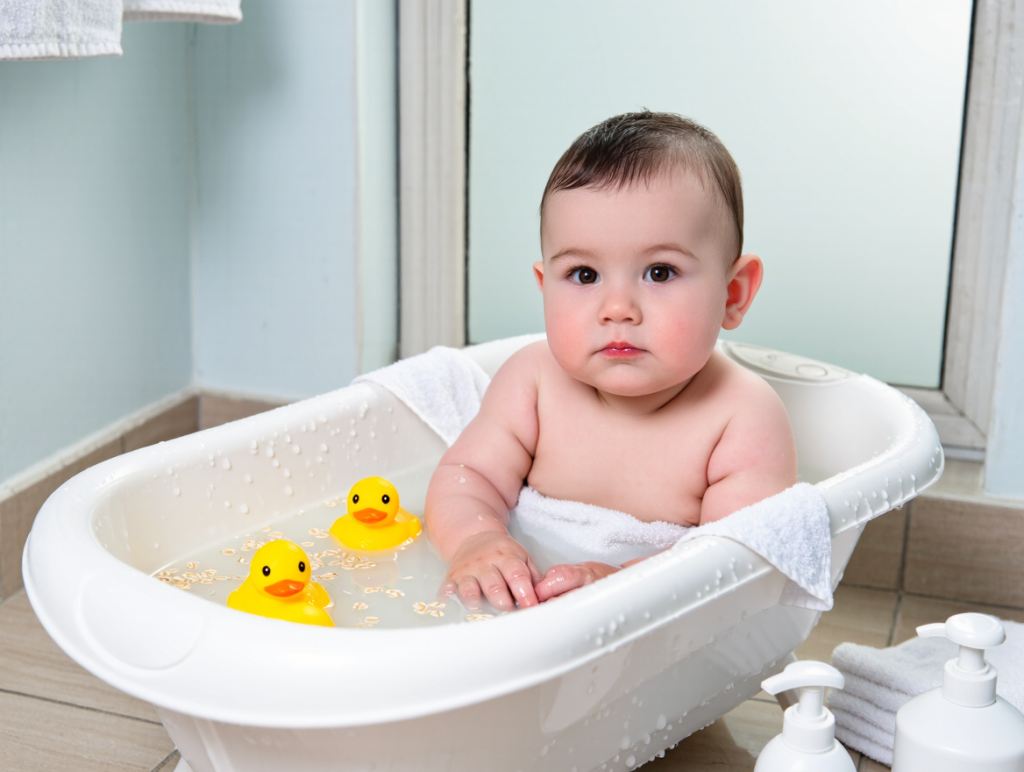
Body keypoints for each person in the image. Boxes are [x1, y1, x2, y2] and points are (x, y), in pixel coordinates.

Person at [425, 111, 797, 611]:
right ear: (545, 288)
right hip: (518, 613)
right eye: (584, 275)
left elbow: (732, 562)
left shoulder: (741, 416)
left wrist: (622, 585)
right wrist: (476, 540)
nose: (617, 308)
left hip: (658, 627)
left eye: (660, 272)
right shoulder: (532, 381)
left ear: (733, 294)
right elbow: (468, 477)